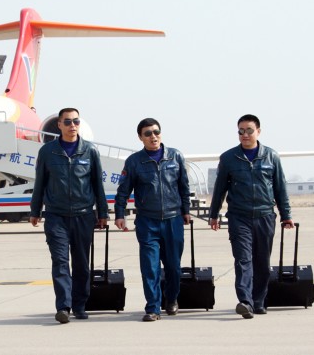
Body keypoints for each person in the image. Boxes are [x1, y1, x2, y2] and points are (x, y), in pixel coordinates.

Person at [209, 114, 293, 319]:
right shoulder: (229, 158)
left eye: (249, 130)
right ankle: (245, 301)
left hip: (265, 215)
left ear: (258, 131)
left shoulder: (271, 156)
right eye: (241, 131)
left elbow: (280, 188)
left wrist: (286, 214)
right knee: (243, 259)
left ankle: (258, 301)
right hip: (239, 217)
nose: (245, 135)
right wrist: (214, 214)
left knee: (262, 261)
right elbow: (220, 189)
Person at [30, 107, 108, 324]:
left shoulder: (90, 151)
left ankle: (80, 305)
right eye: (68, 122)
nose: (72, 125)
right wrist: (35, 211)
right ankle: (63, 306)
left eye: (76, 121)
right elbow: (40, 183)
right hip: (56, 216)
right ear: (59, 125)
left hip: (84, 215)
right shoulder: (47, 152)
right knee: (60, 261)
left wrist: (102, 213)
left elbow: (97, 185)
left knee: (82, 263)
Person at [114, 118, 191, 322]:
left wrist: (186, 211)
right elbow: (123, 190)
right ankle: (153, 307)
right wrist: (119, 214)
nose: (153, 136)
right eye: (147, 133)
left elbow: (184, 187)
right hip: (147, 221)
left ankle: (172, 299)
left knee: (173, 266)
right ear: (140, 138)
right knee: (150, 266)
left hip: (173, 220)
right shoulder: (134, 162)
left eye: (156, 132)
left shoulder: (175, 157)